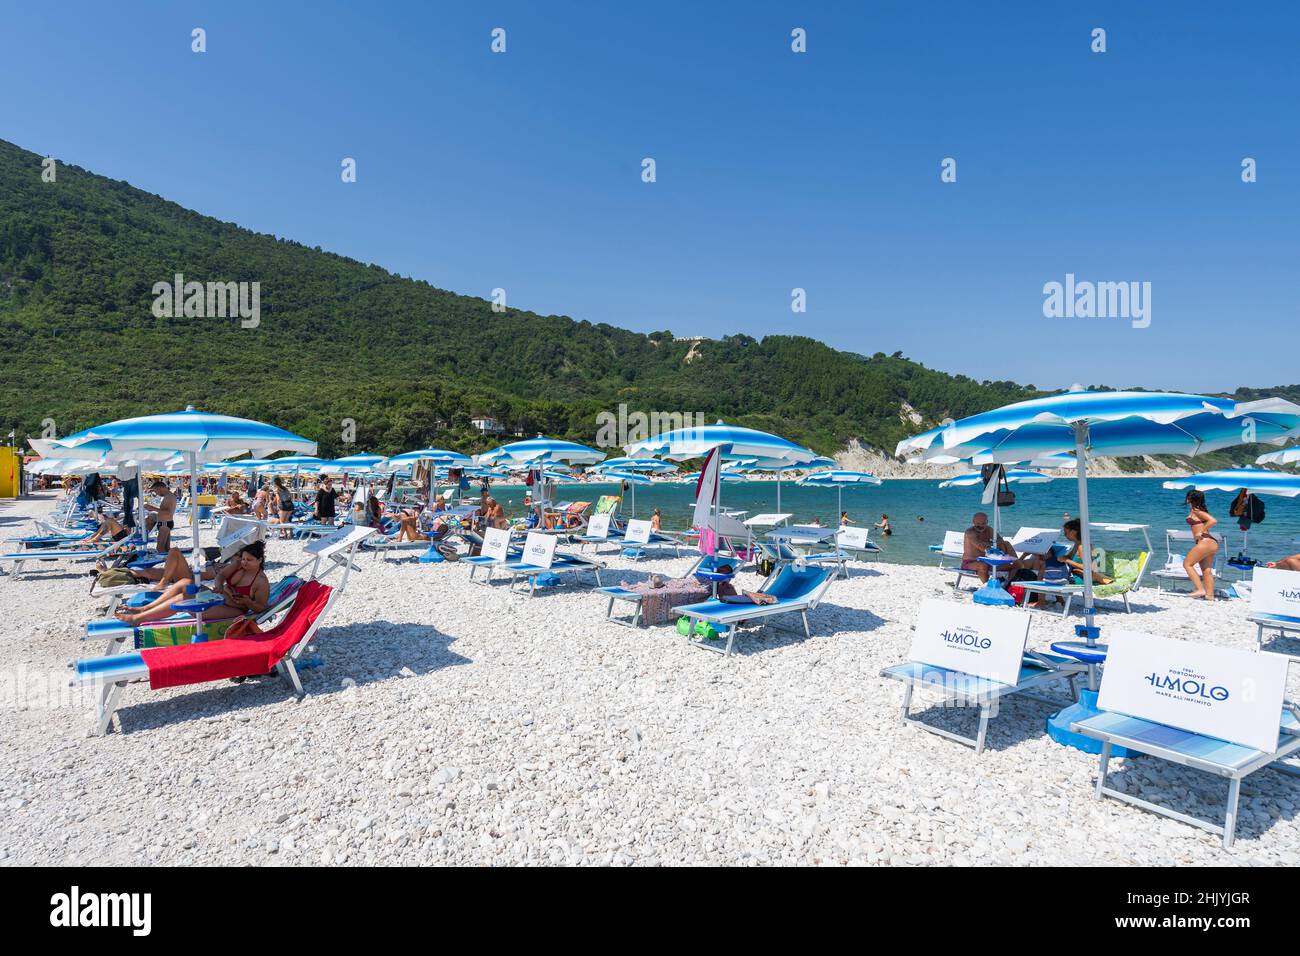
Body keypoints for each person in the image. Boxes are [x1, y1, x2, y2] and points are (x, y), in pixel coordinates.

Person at [115, 542, 270, 627]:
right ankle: (145, 608)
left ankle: (138, 619)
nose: (244, 562)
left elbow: (260, 607)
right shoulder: (238, 565)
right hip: (219, 596)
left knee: (184, 598)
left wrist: (248, 601)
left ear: (260, 561)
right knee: (185, 582)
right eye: (243, 558)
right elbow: (221, 575)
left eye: (249, 560)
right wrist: (219, 584)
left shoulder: (260, 582)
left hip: (233, 609)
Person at [961, 512, 1018, 584]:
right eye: (978, 524)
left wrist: (991, 544)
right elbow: (981, 547)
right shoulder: (970, 532)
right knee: (983, 566)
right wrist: (993, 544)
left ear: (987, 522)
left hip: (988, 561)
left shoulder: (989, 530)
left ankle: (1007, 585)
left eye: (983, 523)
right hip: (970, 562)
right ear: (973, 522)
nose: (981, 526)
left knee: (1016, 564)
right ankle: (986, 586)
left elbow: (1000, 540)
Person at [1183, 490, 1219, 600]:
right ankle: (1209, 595)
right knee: (1206, 570)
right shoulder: (1196, 510)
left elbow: (1213, 520)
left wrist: (1200, 531)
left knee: (1187, 564)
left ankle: (1200, 589)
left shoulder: (1197, 511)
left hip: (1206, 542)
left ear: (1190, 498)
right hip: (1210, 543)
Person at [145, 480, 177, 552]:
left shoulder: (169, 497)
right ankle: (168, 562)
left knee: (160, 548)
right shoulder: (168, 496)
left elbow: (168, 512)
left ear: (160, 488)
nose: (156, 493)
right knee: (166, 549)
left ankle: (169, 562)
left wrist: (152, 508)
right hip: (165, 523)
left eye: (155, 491)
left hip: (165, 524)